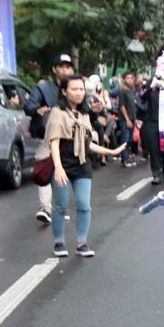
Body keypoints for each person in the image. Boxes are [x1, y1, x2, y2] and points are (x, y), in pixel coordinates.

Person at [46, 75, 126, 258]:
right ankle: (59, 243)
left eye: (81, 89)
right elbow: (54, 142)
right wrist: (58, 167)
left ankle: (81, 243)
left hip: (82, 164)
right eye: (74, 89)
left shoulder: (84, 114)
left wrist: (111, 151)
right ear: (64, 91)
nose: (78, 93)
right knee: (60, 206)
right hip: (63, 164)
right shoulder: (57, 112)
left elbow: (87, 144)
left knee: (84, 205)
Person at [25, 54, 76, 224]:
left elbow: (84, 110)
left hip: (68, 138)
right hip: (47, 136)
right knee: (44, 169)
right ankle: (45, 209)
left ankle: (60, 208)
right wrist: (38, 110)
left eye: (68, 67)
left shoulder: (76, 88)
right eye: (61, 66)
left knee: (63, 173)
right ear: (54, 69)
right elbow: (29, 106)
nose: (65, 70)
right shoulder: (43, 88)